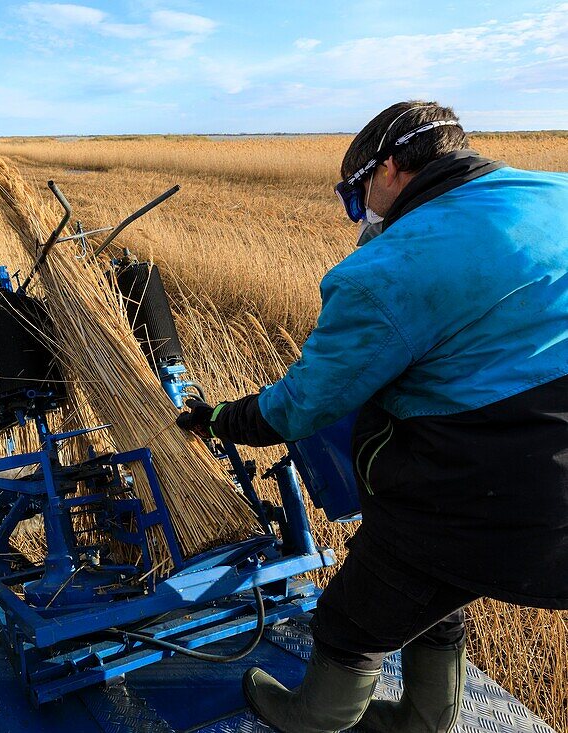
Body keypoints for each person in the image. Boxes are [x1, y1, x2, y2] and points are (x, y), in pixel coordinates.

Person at [178, 101, 568, 733]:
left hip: (492, 495)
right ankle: (425, 719)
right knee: (439, 595)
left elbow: (308, 403)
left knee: (353, 618)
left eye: (357, 199)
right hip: (546, 487)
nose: (363, 217)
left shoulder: (387, 270)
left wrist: (227, 419)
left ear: (388, 169)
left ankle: (315, 718)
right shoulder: (557, 194)